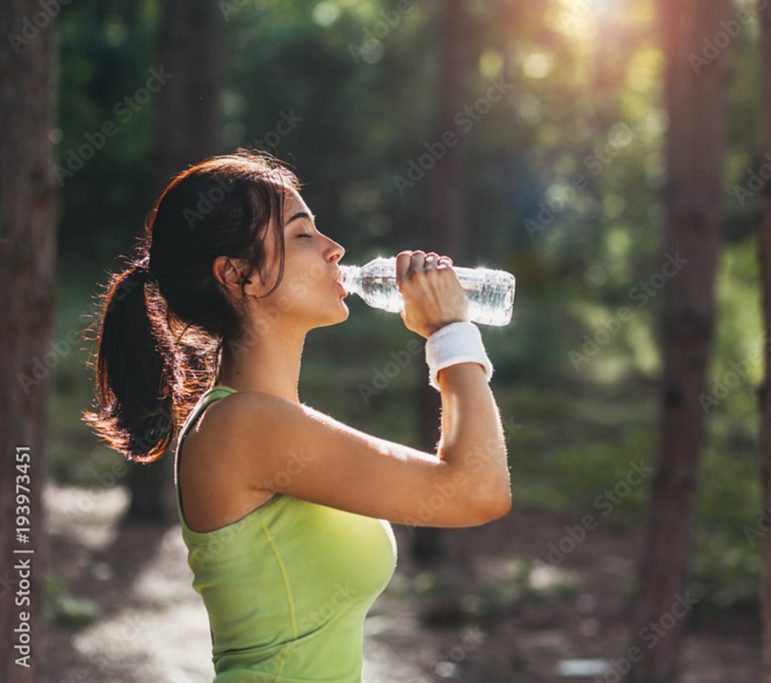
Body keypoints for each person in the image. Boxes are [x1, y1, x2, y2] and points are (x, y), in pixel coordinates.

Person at [82, 149, 512, 681]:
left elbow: (466, 482)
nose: (336, 250)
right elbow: (477, 490)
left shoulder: (268, 420)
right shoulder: (246, 425)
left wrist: (451, 337)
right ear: (242, 275)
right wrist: (449, 333)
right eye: (303, 234)